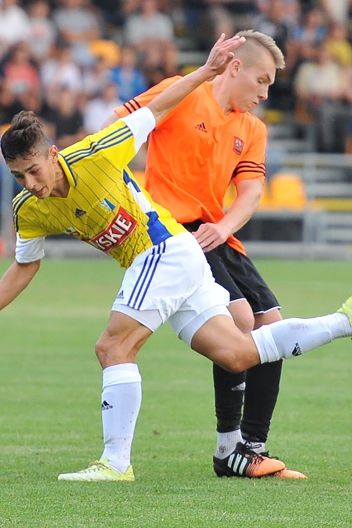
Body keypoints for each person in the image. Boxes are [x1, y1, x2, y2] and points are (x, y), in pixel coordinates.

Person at [0, 35, 352, 484]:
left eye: (34, 170)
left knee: (112, 348)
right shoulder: (29, 209)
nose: (30, 182)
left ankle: (115, 463)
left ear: (53, 154)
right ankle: (346, 320)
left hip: (162, 249)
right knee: (239, 353)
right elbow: (25, 264)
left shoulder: (98, 154)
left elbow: (156, 108)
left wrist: (206, 71)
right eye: (19, 176)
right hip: (180, 260)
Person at [104, 30, 310, 479]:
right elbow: (117, 127)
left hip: (218, 234)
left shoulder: (252, 129)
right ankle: (228, 447)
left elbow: (251, 193)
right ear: (234, 67)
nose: (265, 92)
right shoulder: (183, 93)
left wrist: (225, 226)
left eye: (270, 84)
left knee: (271, 325)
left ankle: (250, 448)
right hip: (175, 233)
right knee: (239, 323)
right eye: (261, 80)